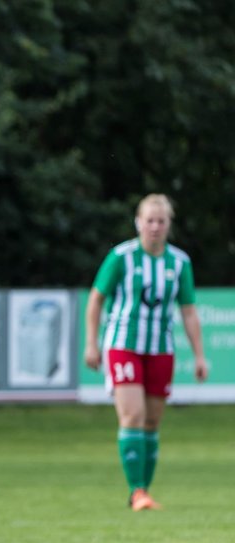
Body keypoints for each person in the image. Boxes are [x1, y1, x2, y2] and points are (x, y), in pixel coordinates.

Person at [83, 193, 208, 511]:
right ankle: (137, 491)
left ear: (169, 225)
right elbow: (96, 299)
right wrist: (91, 342)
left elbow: (189, 311)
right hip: (123, 344)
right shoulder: (121, 257)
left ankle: (144, 491)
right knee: (133, 415)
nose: (155, 227)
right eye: (149, 220)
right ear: (138, 222)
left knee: (152, 422)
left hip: (161, 348)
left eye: (161, 221)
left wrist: (199, 355)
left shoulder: (179, 263)